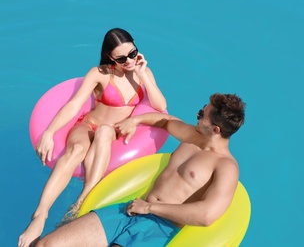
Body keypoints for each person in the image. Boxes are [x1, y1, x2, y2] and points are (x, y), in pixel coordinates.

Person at [33, 93, 246, 247]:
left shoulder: (226, 167)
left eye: (202, 114)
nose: (198, 116)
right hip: (130, 209)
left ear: (215, 130)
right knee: (47, 244)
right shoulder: (192, 136)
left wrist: (150, 209)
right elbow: (166, 121)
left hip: (159, 227)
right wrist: (134, 120)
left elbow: (206, 215)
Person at [18, 28, 167, 247]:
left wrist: (143, 74)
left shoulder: (143, 72)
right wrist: (49, 132)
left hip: (111, 132)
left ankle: (83, 199)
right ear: (109, 57)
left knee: (107, 131)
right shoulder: (100, 73)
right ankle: (40, 216)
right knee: (76, 150)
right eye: (122, 58)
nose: (129, 60)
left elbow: (161, 106)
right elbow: (74, 104)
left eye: (133, 53)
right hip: (88, 125)